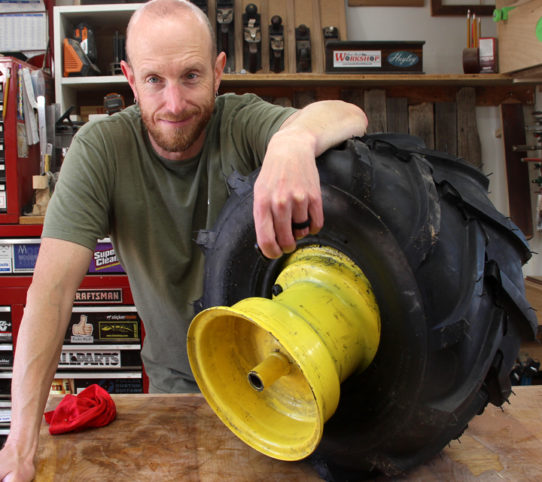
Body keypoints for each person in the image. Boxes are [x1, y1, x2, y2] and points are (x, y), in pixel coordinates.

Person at [0, 0, 367, 479]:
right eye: (154, 80)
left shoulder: (241, 122)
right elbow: (49, 295)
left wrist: (292, 142)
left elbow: (347, 114)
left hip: (288, 389)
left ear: (218, 72)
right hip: (173, 395)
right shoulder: (100, 150)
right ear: (130, 80)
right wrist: (21, 437)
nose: (173, 103)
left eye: (191, 76)